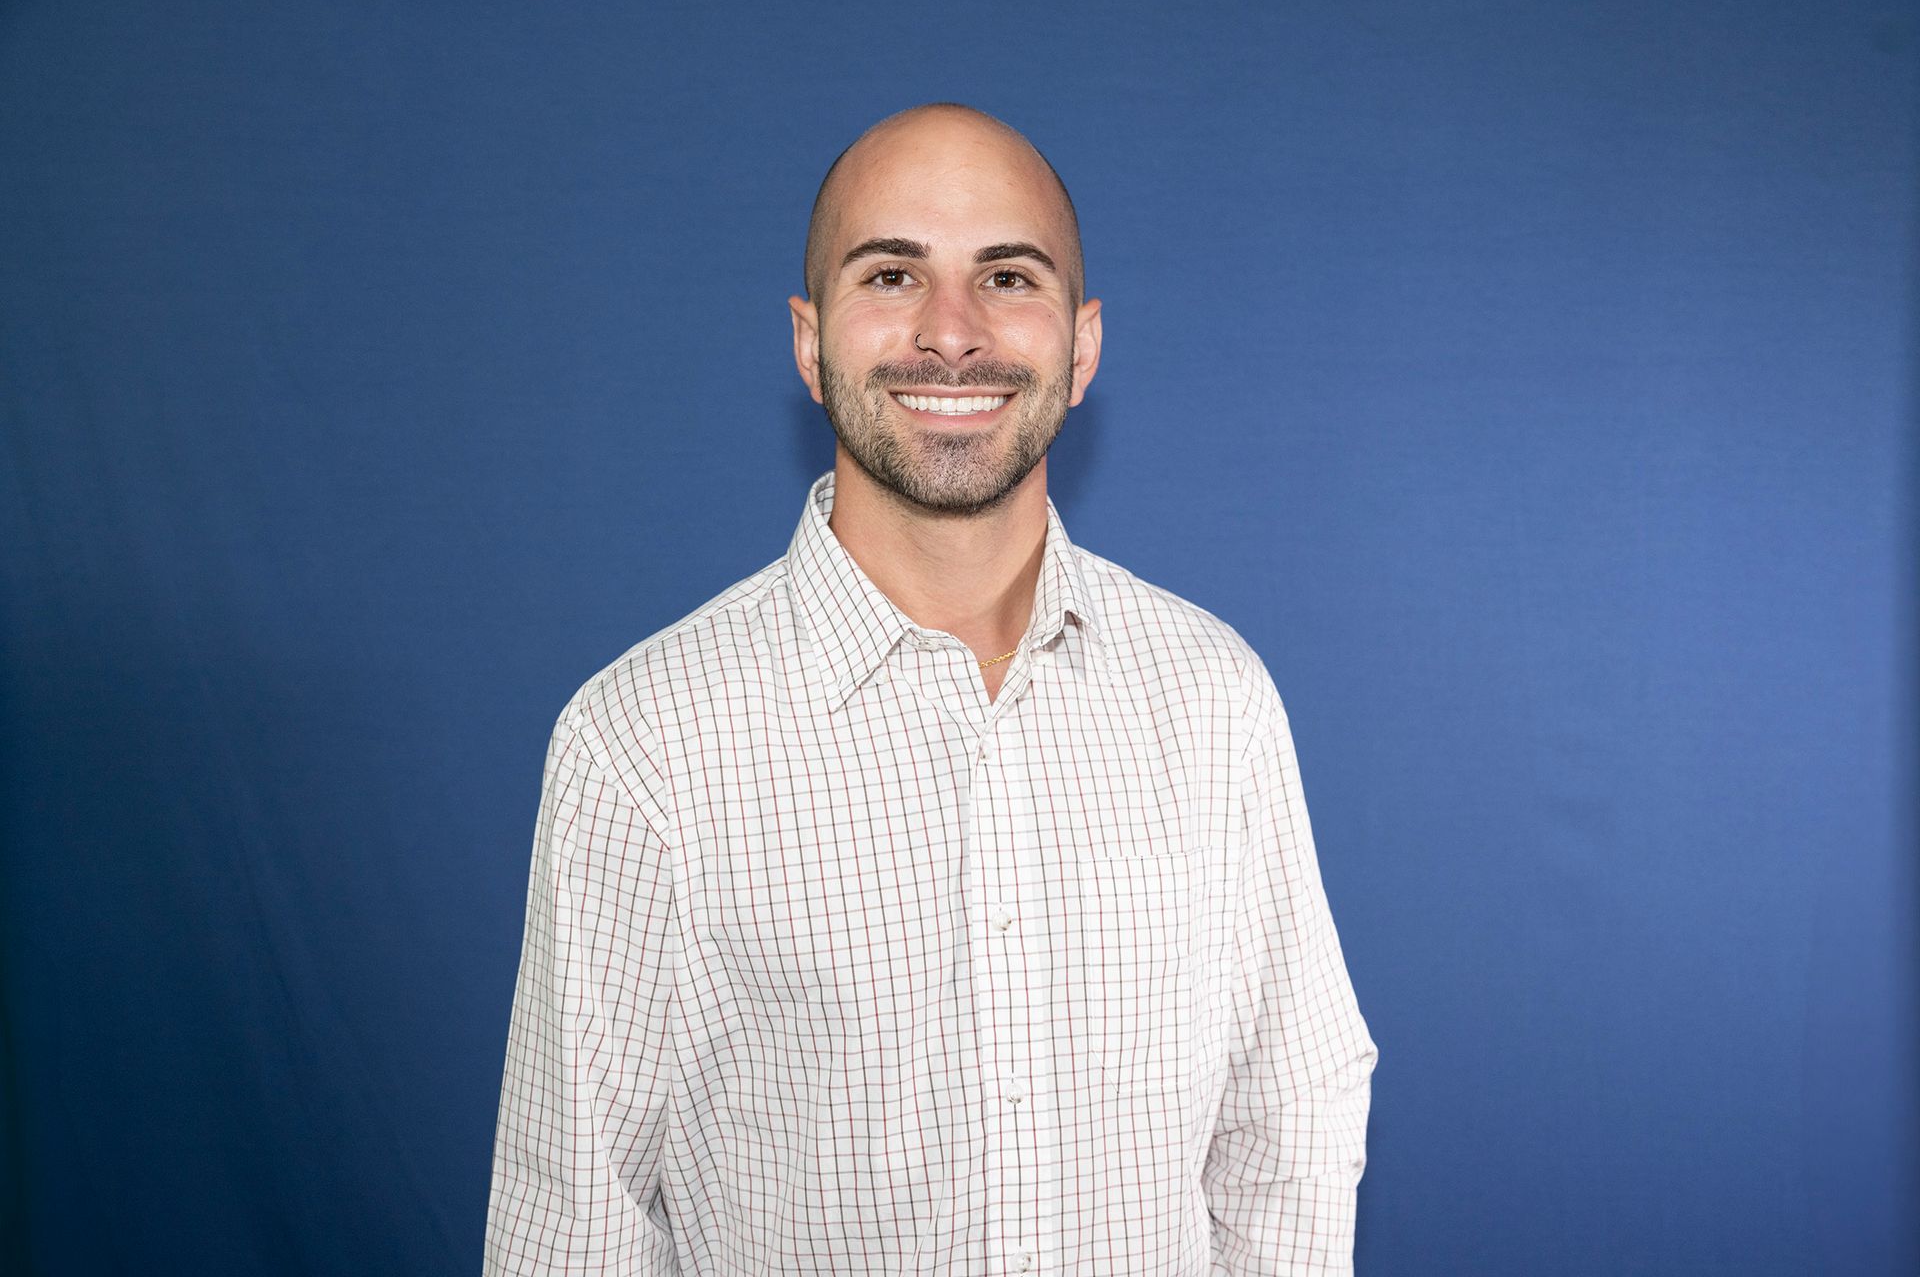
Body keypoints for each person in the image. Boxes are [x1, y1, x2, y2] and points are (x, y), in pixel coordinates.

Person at [483, 102, 1376, 1276]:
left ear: (1082, 345)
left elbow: (1288, 1126)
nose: (951, 332)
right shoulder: (644, 744)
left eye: (1007, 276)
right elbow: (576, 1218)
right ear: (809, 342)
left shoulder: (1216, 700)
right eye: (892, 274)